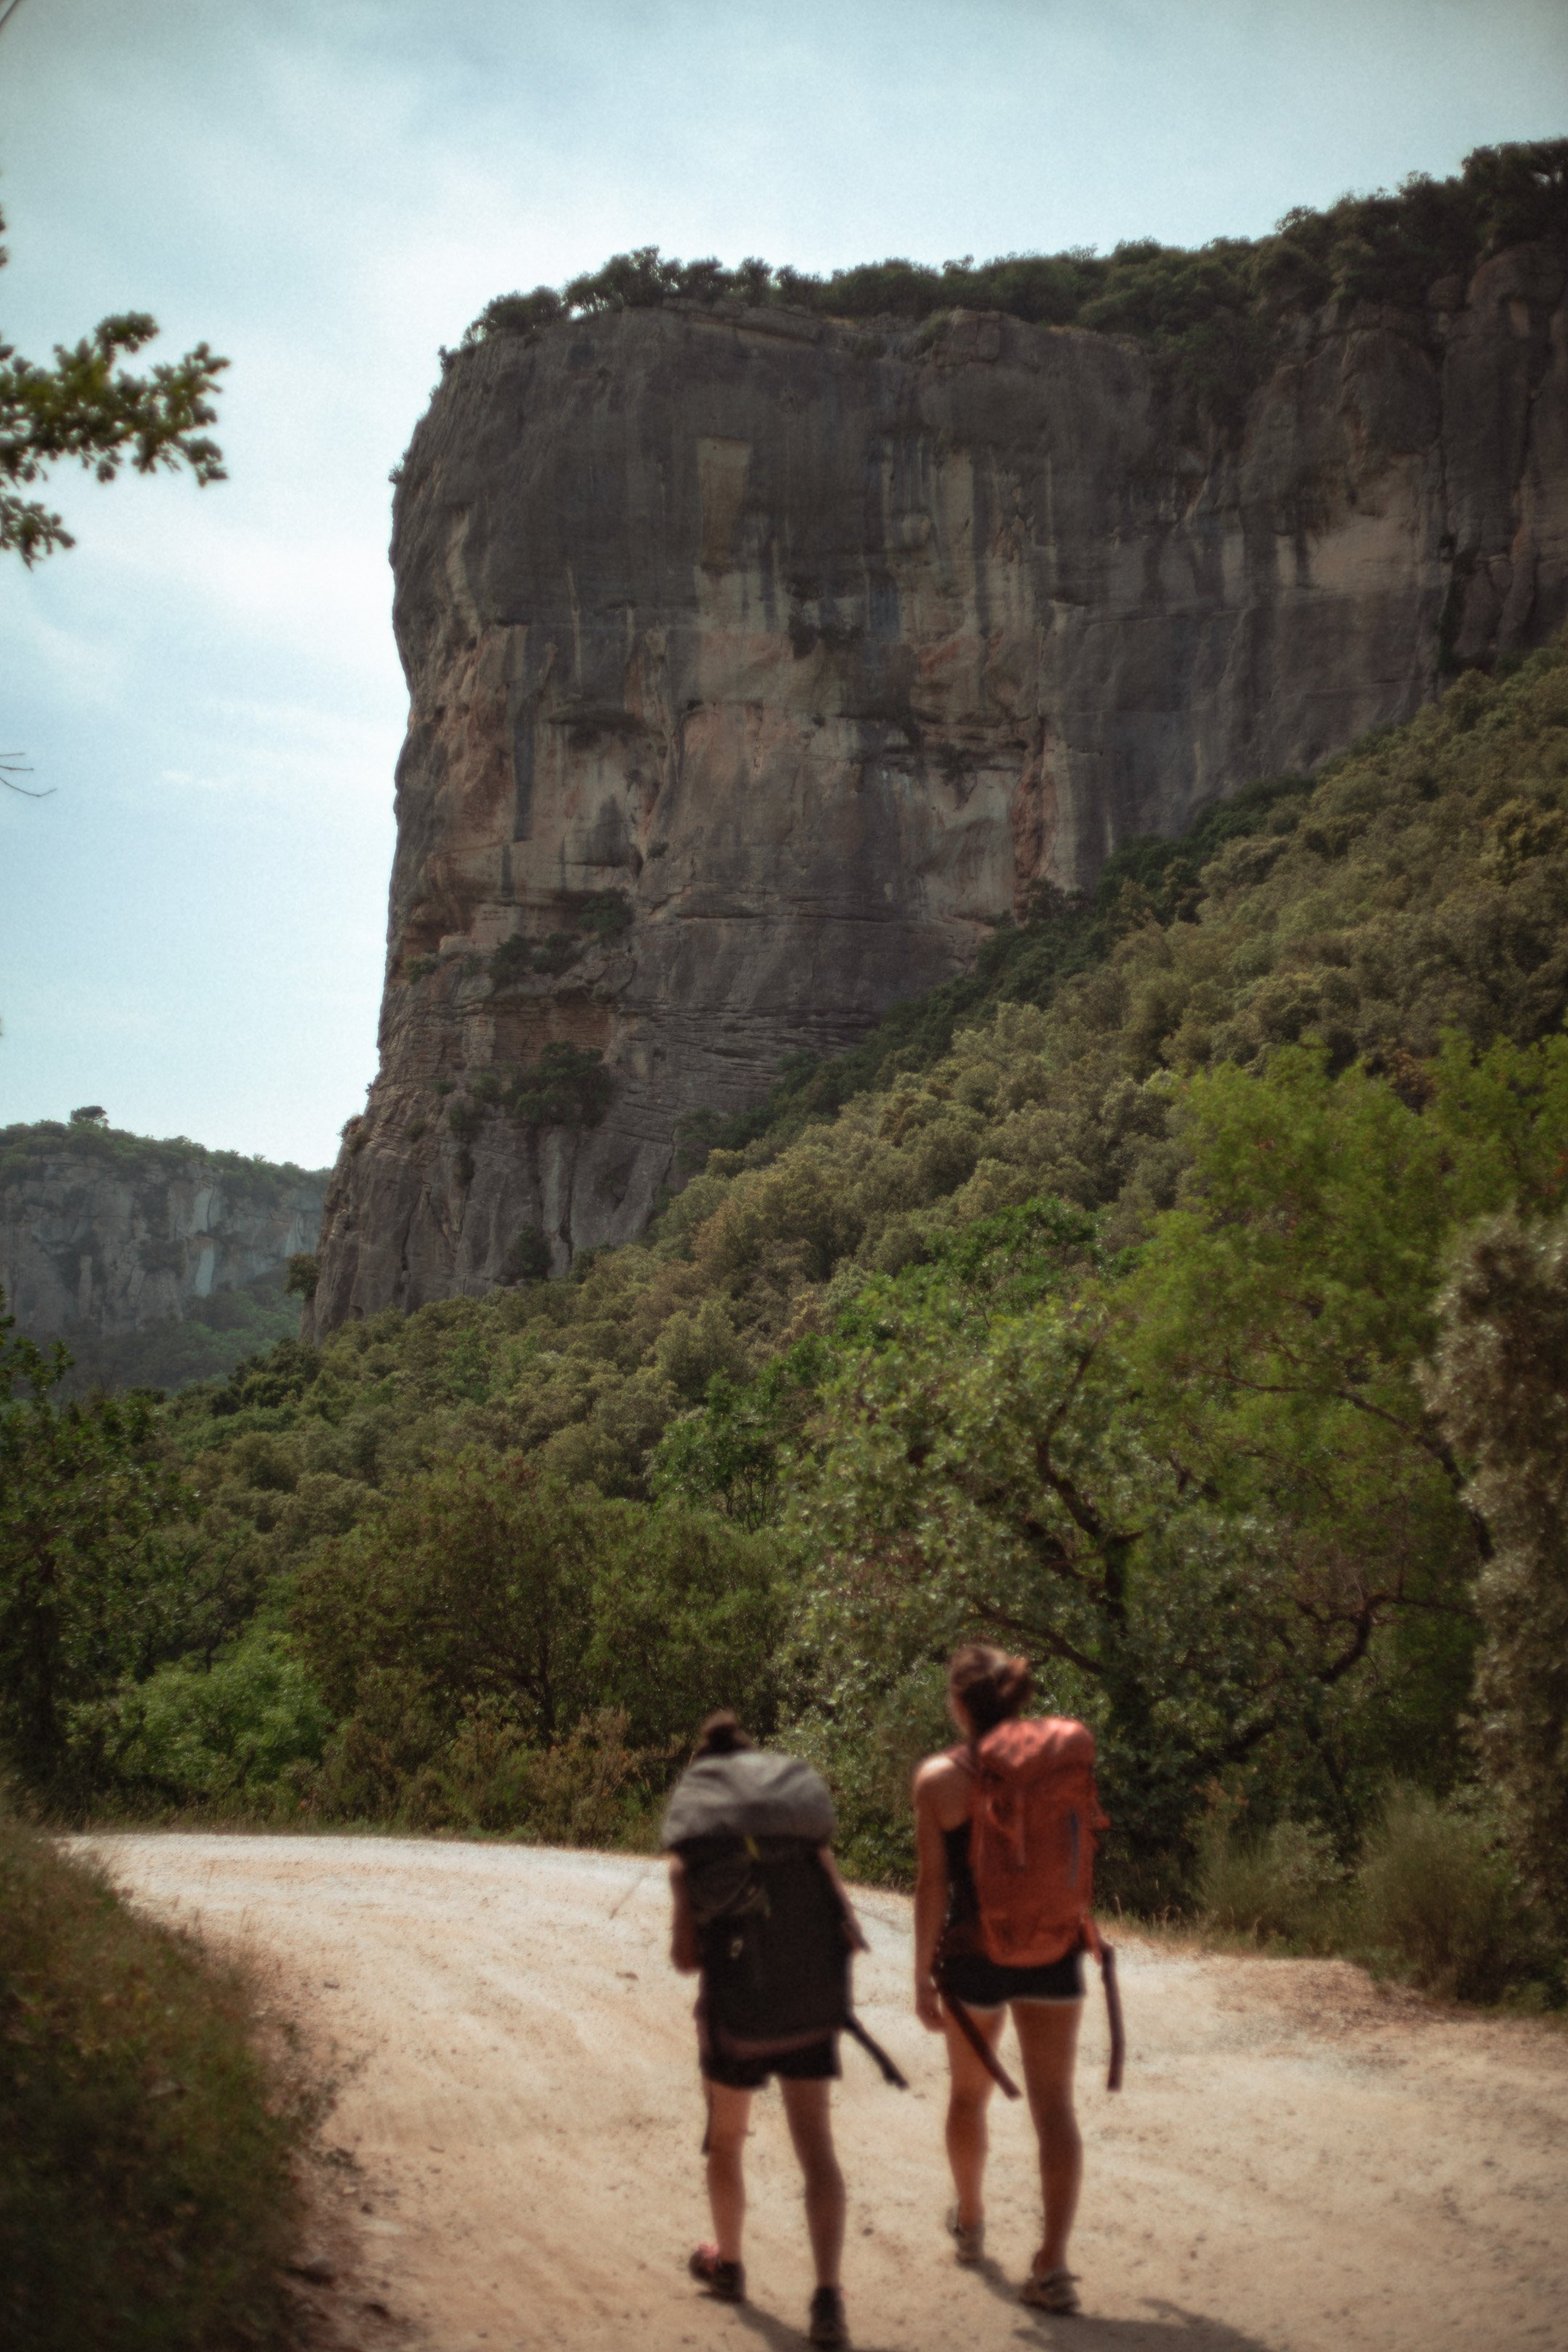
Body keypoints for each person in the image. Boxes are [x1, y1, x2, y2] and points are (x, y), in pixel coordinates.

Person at [667, 1710, 865, 2350]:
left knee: (727, 2142)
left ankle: (728, 2264)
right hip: (809, 2008)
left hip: (736, 2017)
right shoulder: (806, 1846)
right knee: (817, 2149)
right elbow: (849, 1928)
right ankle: (827, 2298)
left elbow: (685, 1958)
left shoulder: (696, 1855)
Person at [912, 1644, 1089, 2314]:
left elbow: (932, 1886)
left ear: (959, 1704)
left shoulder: (939, 1780)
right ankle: (1053, 2266)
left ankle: (971, 2220)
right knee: (1055, 2107)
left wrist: (921, 1976)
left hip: (974, 1956)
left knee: (968, 2097)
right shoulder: (1060, 1757)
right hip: (1054, 1947)